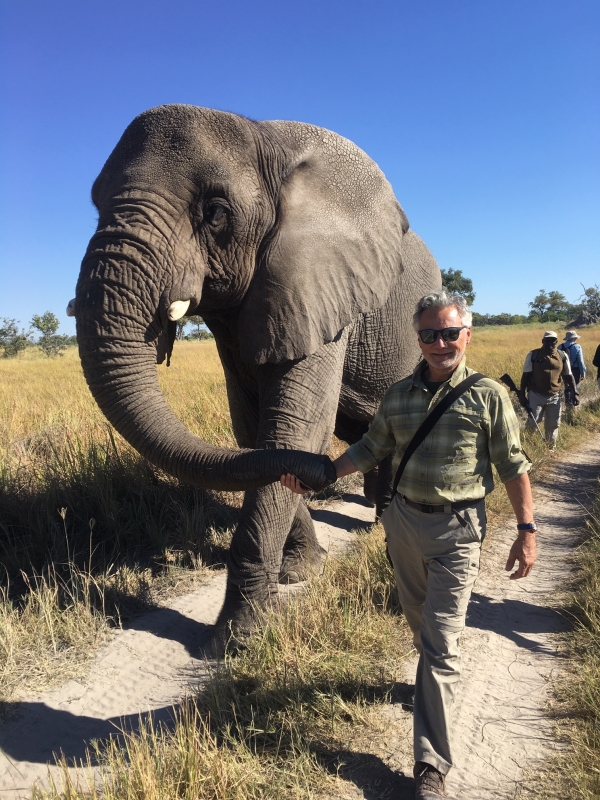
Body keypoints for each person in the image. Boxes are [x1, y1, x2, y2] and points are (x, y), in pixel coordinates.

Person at [281, 290, 536, 800]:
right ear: (417, 339)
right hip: (401, 523)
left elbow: (513, 465)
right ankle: (426, 684)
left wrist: (527, 531)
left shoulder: (488, 395)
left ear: (467, 333)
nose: (441, 343)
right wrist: (326, 472)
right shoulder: (397, 395)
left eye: (450, 332)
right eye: (430, 334)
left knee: (441, 647)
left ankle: (430, 767)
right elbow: (373, 448)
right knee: (418, 621)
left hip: (458, 532)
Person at [519, 330, 580, 450]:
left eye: (553, 340)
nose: (550, 343)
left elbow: (568, 375)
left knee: (553, 424)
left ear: (557, 342)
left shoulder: (562, 355)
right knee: (533, 422)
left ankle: (550, 449)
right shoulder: (533, 355)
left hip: (555, 396)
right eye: (547, 340)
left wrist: (575, 393)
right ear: (543, 341)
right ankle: (527, 448)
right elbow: (525, 376)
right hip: (535, 394)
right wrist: (522, 395)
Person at [558, 330, 586, 405]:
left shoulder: (560, 347)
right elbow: (580, 361)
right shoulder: (577, 346)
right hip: (575, 370)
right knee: (574, 386)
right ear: (574, 338)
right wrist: (583, 372)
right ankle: (574, 402)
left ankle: (568, 402)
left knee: (567, 386)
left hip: (564, 370)